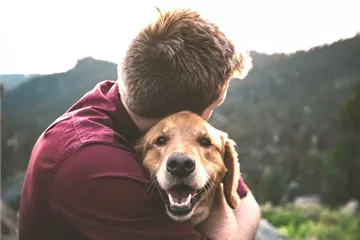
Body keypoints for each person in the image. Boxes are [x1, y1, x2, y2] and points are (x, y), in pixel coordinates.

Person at [18, 8, 261, 240]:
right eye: (217, 103)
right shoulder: (93, 164)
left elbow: (247, 203)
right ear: (183, 112)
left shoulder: (124, 99)